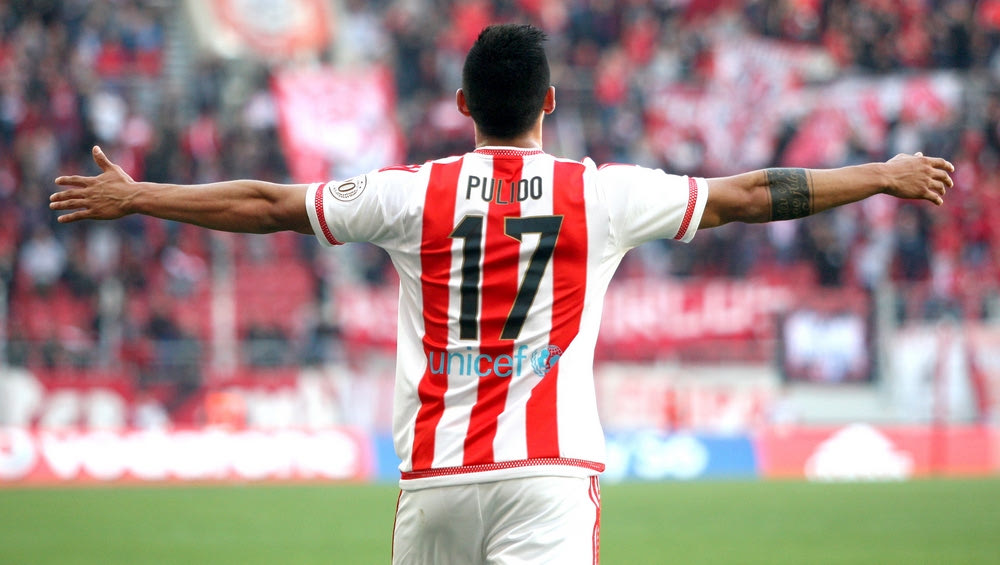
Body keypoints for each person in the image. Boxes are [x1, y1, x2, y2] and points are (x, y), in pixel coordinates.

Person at [51, 23, 953, 565]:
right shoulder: (599, 193)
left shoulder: (413, 193)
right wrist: (881, 173)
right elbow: (749, 194)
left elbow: (267, 204)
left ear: (461, 103)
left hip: (437, 478)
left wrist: (139, 195)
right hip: (549, 475)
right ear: (549, 101)